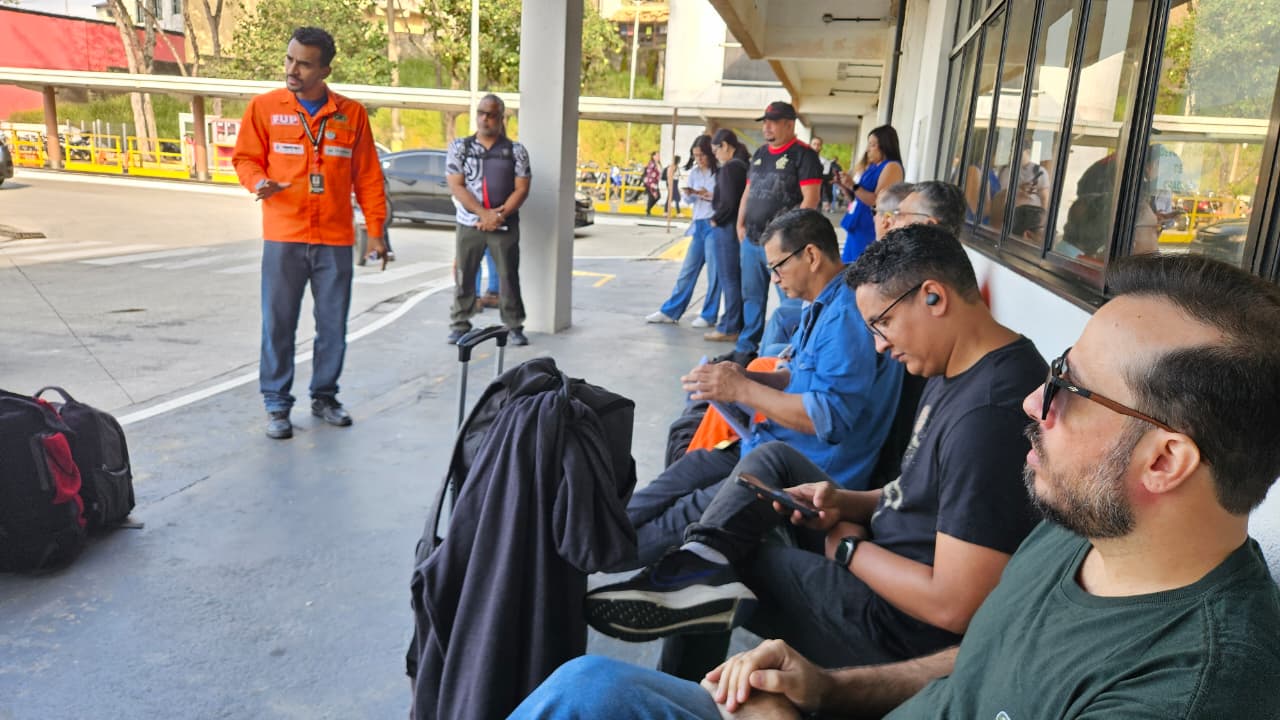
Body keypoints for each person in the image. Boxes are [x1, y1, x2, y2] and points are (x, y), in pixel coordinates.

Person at [512, 253, 1280, 720]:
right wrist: (830, 689)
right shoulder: (1082, 532)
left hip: (884, 603)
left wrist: (845, 549)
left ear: (1164, 462)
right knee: (590, 687)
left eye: (1070, 390)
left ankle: (680, 573)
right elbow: (980, 653)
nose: (1033, 404)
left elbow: (953, 607)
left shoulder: (1190, 689)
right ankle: (681, 571)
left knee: (598, 689)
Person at [586, 223, 1045, 681]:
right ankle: (696, 562)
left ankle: (675, 682)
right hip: (879, 548)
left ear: (933, 297)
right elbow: (917, 493)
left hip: (893, 621)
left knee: (731, 568)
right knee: (770, 462)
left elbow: (953, 605)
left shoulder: (989, 414)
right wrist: (846, 503)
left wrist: (847, 548)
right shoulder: (956, 367)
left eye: (882, 324)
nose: (880, 345)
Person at [625, 209, 903, 572]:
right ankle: (586, 537)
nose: (774, 278)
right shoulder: (824, 303)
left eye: (778, 267)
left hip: (805, 474)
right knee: (676, 478)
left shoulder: (847, 315)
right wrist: (745, 377)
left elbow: (828, 418)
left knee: (680, 514)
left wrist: (742, 389)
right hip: (765, 445)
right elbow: (796, 377)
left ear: (811, 255)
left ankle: (592, 557)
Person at [232, 26, 387, 440]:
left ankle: (325, 396)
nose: (292, 69)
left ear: (325, 71)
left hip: (335, 240)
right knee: (278, 324)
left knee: (333, 326)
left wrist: (376, 231)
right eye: (289, 59)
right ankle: (277, 404)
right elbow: (245, 158)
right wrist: (258, 182)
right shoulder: (265, 108)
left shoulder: (351, 115)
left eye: (303, 64)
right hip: (284, 236)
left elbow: (368, 177)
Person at [722, 101, 823, 367]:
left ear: (789, 124)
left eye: (773, 122)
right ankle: (746, 350)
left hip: (784, 247)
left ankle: (789, 354)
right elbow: (748, 191)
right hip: (752, 240)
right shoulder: (759, 154)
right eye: (765, 122)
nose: (766, 126)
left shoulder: (804, 156)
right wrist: (740, 224)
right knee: (752, 297)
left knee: (790, 301)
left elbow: (810, 199)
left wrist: (793, 237)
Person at [444, 93, 531, 347]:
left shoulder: (516, 151)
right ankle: (460, 324)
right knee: (465, 274)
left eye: (491, 115)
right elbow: (456, 185)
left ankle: (514, 326)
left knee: (508, 276)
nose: (485, 119)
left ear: (501, 118)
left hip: (505, 224)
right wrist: (483, 214)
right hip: (469, 223)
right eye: (481, 113)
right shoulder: (460, 148)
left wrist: (499, 216)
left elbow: (522, 188)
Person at [647, 138, 720, 327]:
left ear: (710, 153)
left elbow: (725, 200)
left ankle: (709, 315)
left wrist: (709, 195)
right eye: (695, 156)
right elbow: (688, 202)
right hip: (698, 224)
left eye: (702, 155)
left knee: (714, 274)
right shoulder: (694, 172)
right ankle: (671, 311)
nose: (699, 159)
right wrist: (690, 194)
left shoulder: (720, 172)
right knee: (687, 271)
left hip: (714, 224)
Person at [703, 129, 751, 344]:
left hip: (727, 227)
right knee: (735, 278)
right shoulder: (743, 165)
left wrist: (717, 218)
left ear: (725, 145)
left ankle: (730, 326)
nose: (715, 155)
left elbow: (729, 202)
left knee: (729, 278)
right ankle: (735, 324)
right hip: (737, 227)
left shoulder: (730, 168)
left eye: (715, 150)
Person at [835, 125, 905, 263]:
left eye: (872, 145)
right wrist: (844, 186)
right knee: (848, 266)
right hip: (857, 224)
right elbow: (857, 198)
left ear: (885, 145)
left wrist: (853, 185)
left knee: (862, 266)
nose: (868, 149)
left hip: (870, 228)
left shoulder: (891, 167)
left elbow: (878, 202)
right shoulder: (873, 167)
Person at [811, 136, 833, 213]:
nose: (816, 147)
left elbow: (825, 181)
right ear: (810, 145)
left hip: (817, 195)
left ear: (821, 147)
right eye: (814, 144)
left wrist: (826, 199)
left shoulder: (825, 162)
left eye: (818, 144)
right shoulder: (802, 159)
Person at [643, 151, 662, 216]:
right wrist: (651, 184)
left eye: (659, 155)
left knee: (655, 196)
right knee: (653, 196)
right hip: (650, 183)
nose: (658, 157)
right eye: (657, 155)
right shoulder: (652, 164)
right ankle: (648, 210)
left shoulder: (658, 163)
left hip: (655, 183)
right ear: (653, 156)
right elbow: (649, 173)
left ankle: (648, 210)